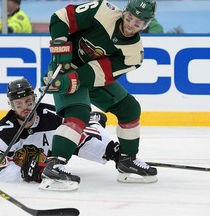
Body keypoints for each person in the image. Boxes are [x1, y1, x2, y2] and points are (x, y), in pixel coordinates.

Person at [40, 0, 158, 190]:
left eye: (137, 24)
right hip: (64, 66)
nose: (130, 25)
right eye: (129, 18)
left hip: (89, 77)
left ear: (145, 25)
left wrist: (70, 81)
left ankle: (127, 161)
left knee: (129, 108)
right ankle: (54, 165)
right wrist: (60, 46)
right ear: (124, 12)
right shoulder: (102, 10)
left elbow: (99, 73)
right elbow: (61, 18)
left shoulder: (134, 54)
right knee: (78, 114)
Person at [0, 78, 120, 190]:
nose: (25, 107)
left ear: (34, 99)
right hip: (42, 157)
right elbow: (0, 171)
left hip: (59, 144)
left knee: (99, 136)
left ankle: (92, 120)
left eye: (28, 102)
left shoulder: (53, 116)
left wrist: (108, 151)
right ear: (12, 106)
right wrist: (24, 172)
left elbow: (80, 140)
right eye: (19, 104)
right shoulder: (2, 133)